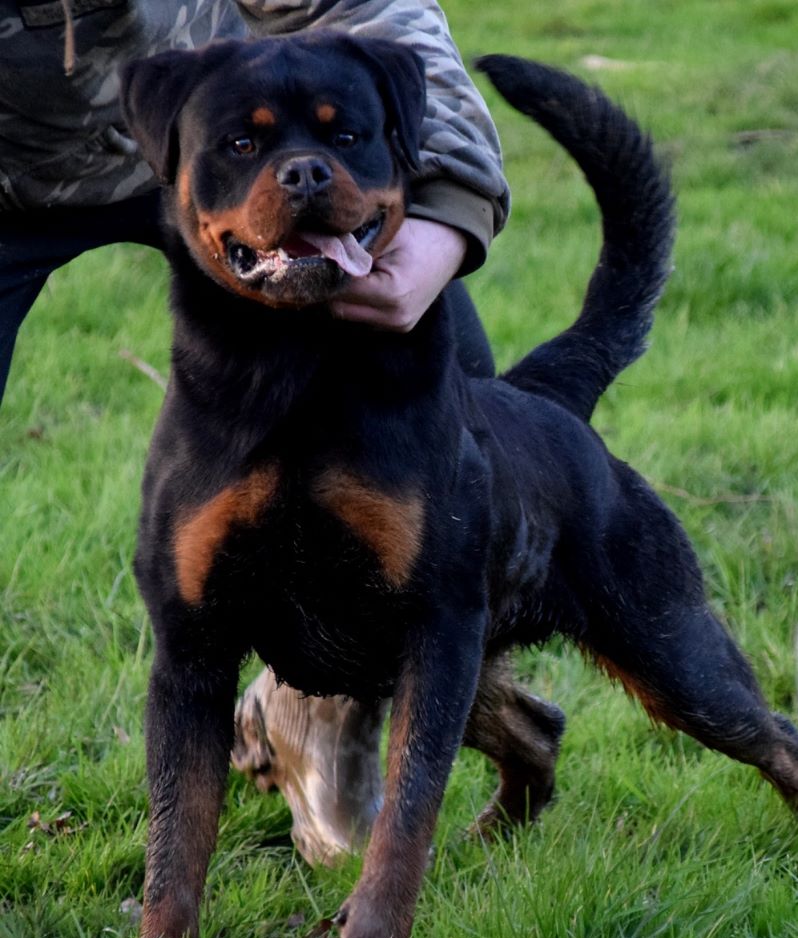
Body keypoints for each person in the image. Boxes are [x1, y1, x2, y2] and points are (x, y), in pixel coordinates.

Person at [0, 0, 509, 863]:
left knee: (453, 440)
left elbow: (370, 10)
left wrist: (443, 220)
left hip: (227, 115)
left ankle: (321, 692)